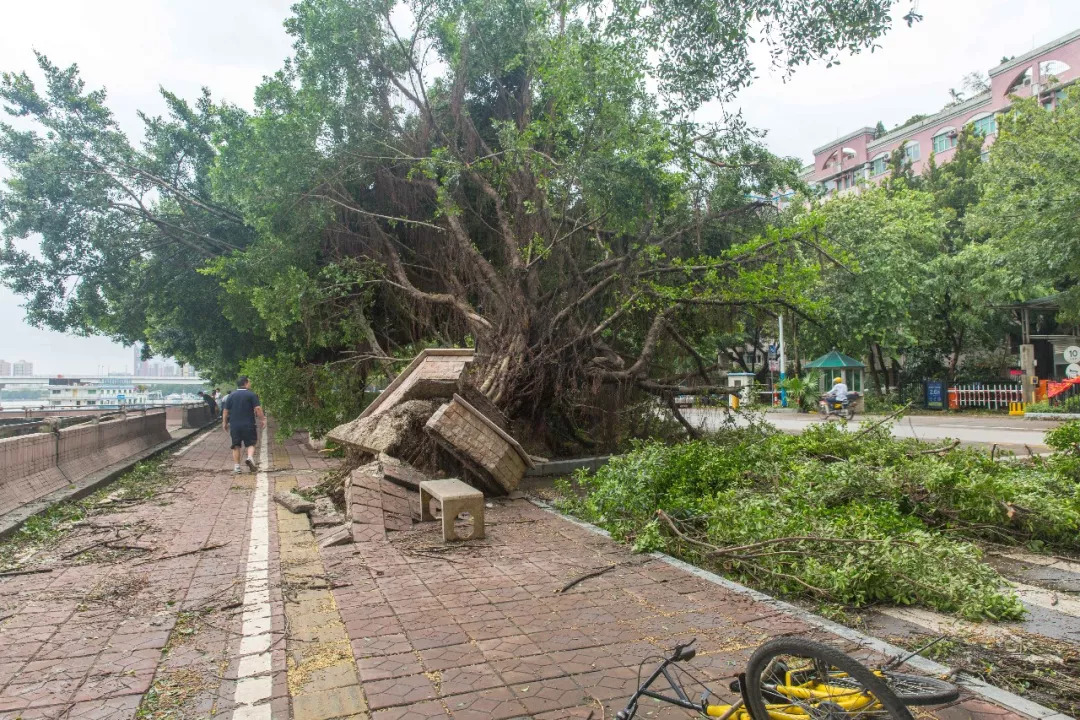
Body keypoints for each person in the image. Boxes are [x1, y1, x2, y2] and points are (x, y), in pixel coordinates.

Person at [222, 376, 265, 474]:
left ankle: (237, 467)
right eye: (249, 382)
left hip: (234, 425)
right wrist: (263, 419)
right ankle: (250, 458)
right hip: (248, 424)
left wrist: (224, 423)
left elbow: (225, 411)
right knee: (251, 444)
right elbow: (258, 408)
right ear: (245, 383)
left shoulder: (231, 395)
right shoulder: (252, 395)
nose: (250, 384)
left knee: (236, 446)